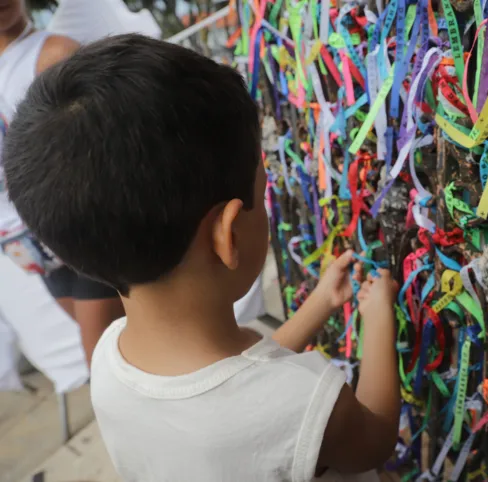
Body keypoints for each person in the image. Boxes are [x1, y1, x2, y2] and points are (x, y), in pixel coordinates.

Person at [4, 34, 401, 481]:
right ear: (228, 234)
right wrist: (378, 319)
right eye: (260, 189)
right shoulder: (303, 400)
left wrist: (319, 305)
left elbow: (234, 389)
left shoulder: (110, 359)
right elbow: (376, 439)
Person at [0, 0, 124, 368]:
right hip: (30, 248)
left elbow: (103, 146)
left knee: (104, 363)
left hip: (81, 232)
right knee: (122, 355)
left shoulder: (53, 53)